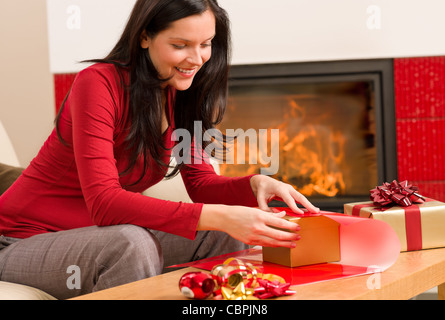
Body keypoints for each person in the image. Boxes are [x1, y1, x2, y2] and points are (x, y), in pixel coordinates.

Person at [0, 0, 319, 299]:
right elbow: (105, 203)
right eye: (180, 45)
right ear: (144, 38)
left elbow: (201, 185)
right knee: (132, 244)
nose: (196, 59)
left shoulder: (181, 95)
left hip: (93, 236)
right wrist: (221, 215)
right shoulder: (97, 83)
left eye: (205, 44)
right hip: (19, 240)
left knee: (221, 235)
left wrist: (253, 184)